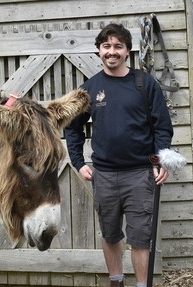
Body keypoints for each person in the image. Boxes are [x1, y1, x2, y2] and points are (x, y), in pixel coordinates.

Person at [64, 23, 174, 287]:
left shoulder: (144, 84)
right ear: (99, 51)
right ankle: (116, 282)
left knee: (139, 238)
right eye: (106, 46)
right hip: (104, 176)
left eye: (118, 46)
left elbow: (162, 127)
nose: (111, 52)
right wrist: (78, 163)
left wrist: (160, 161)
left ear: (127, 51)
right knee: (111, 235)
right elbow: (73, 128)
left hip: (139, 175)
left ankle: (141, 285)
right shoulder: (89, 88)